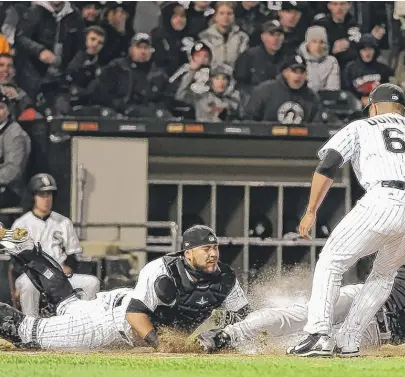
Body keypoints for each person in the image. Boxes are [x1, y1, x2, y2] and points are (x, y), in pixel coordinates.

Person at [286, 83, 405, 357]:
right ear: (403, 107)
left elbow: (328, 164)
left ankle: (318, 334)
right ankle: (350, 340)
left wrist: (311, 211)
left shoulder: (362, 126)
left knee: (331, 261)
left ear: (374, 107)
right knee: (384, 273)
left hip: (386, 198)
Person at [198, 240, 405, 355]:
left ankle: (251, 351)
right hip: (367, 296)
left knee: (323, 351)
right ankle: (227, 335)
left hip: (380, 331)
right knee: (302, 314)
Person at [0, 225, 249, 350]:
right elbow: (135, 316)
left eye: (215, 248)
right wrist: (161, 345)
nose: (214, 254)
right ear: (188, 252)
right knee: (29, 334)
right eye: (206, 249)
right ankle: (26, 250)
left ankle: (27, 248)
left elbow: (246, 317)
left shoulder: (225, 279)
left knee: (68, 304)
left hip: (121, 307)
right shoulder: (162, 270)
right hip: (112, 323)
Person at [11, 173, 101, 317]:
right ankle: (30, 328)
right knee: (28, 286)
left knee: (92, 283)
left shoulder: (63, 222)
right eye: (42, 194)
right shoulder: (21, 224)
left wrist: (69, 267)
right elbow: (16, 261)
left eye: (49, 194)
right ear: (33, 196)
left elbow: (73, 254)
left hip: (59, 275)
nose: (46, 199)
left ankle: (82, 325)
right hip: (33, 276)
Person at [244, 54, 321, 124]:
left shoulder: (312, 97)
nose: (298, 76)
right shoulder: (264, 91)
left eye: (302, 72)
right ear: (285, 72)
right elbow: (249, 121)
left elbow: (317, 127)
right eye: (294, 71)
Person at [0, 93, 31, 208]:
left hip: (12, 190)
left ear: (8, 110)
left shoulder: (15, 134)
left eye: (1, 108)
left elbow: (13, 170)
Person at [297, 25, 341, 92]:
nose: (318, 46)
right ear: (308, 43)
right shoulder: (298, 59)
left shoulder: (331, 61)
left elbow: (333, 89)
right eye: (314, 41)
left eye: (321, 42)